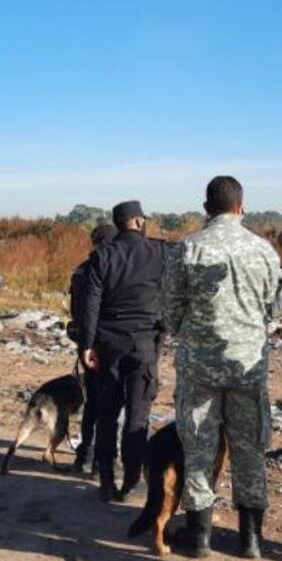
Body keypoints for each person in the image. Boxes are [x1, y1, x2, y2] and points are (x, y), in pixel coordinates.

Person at [162, 176, 281, 559]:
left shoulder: (187, 249)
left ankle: (199, 537)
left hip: (199, 365)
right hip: (247, 364)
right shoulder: (263, 251)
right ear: (241, 207)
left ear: (206, 207)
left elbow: (170, 311)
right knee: (249, 447)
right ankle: (251, 539)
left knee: (198, 446)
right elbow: (272, 308)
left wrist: (191, 333)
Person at [79, 201, 166, 502]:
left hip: (108, 343)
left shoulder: (102, 256)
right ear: (139, 222)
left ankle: (105, 478)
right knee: (137, 416)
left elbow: (90, 305)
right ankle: (131, 480)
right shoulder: (159, 252)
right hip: (144, 343)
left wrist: (86, 345)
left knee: (107, 412)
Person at [67, 223, 119, 474]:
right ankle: (101, 459)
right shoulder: (111, 268)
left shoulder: (80, 270)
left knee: (92, 402)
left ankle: (84, 454)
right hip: (108, 342)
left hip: (87, 344)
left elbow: (76, 310)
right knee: (111, 404)